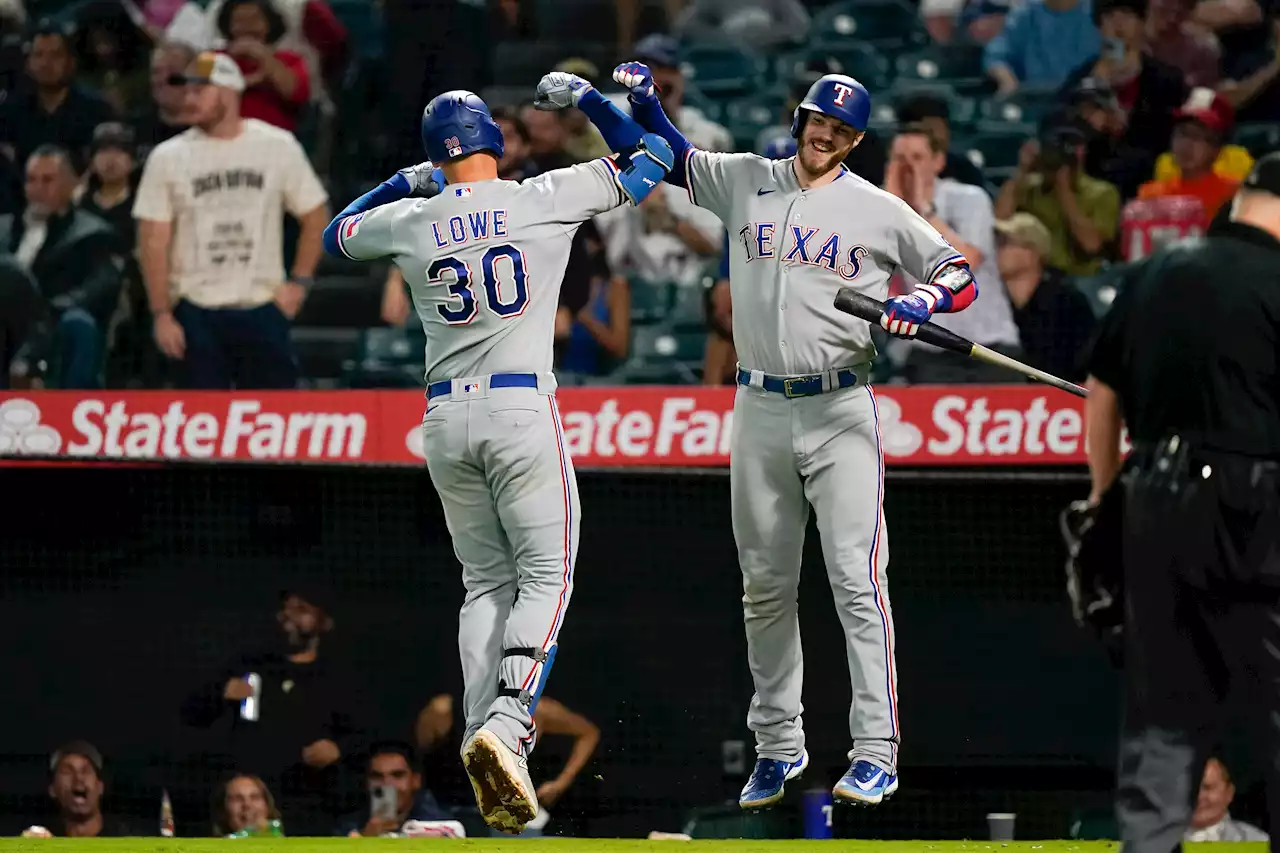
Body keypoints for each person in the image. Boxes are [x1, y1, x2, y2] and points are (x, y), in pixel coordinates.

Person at [615, 63, 983, 809]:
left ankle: (876, 751)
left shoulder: (874, 207)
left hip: (841, 406)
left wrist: (923, 296)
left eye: (843, 129)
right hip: (757, 407)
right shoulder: (747, 177)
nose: (828, 134)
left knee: (857, 582)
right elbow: (672, 155)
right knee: (764, 588)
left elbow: (958, 270)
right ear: (800, 117)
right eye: (821, 120)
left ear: (855, 139)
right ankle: (778, 747)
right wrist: (641, 101)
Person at [321, 82, 673, 833]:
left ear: (434, 152)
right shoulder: (539, 194)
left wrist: (407, 181)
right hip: (519, 406)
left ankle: (487, 730)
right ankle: (510, 725)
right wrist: (587, 99)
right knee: (547, 572)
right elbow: (656, 158)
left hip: (444, 417)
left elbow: (335, 235)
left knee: (485, 579)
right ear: (495, 141)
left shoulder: (411, 219)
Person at [1083, 152, 1280, 853]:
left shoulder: (1157, 270)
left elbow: (1102, 399)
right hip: (1256, 505)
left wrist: (1106, 500)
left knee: (1163, 718)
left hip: (1154, 498)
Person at [133, 51, 329, 390]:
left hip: (262, 306)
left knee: (273, 423)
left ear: (227, 90)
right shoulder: (167, 157)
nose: (188, 99)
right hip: (195, 310)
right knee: (202, 429)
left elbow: (316, 215)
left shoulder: (276, 146)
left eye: (199, 90)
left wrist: (300, 283)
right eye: (187, 91)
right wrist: (162, 313)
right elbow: (153, 239)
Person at [883, 122, 1022, 383]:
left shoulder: (969, 198)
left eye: (917, 158)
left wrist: (923, 210)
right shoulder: (881, 206)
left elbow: (965, 262)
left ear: (937, 162)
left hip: (989, 346)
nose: (908, 167)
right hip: (929, 350)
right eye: (900, 158)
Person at [995, 212, 1095, 382]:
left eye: (1006, 243)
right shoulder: (992, 303)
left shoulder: (1067, 302)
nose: (996, 250)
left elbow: (1088, 362)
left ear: (1033, 252)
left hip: (1060, 400)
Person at [1136, 88, 1241, 221]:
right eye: (1182, 133)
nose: (1187, 144)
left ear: (1217, 150)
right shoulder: (1150, 196)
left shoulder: (1234, 196)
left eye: (1198, 137)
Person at [335, 742, 460, 838]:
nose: (387, 784)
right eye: (377, 776)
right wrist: (365, 839)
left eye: (397, 775)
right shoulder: (348, 825)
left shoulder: (440, 823)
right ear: (367, 783)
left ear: (415, 781)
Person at [1185, 758, 1270, 843]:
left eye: (1208, 788)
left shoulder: (1255, 841)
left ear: (1229, 792)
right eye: (1192, 788)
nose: (1199, 796)